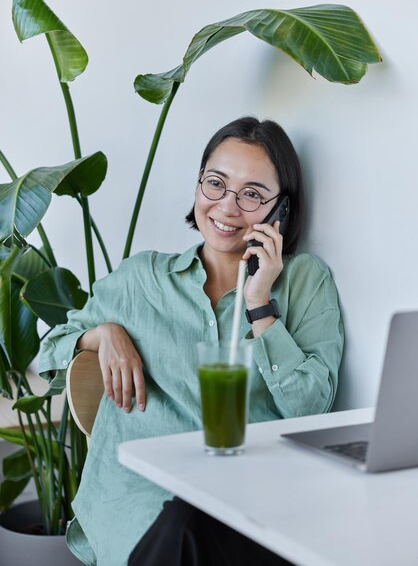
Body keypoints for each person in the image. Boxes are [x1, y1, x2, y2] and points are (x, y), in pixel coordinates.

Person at [38, 116, 344, 566]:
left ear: (281, 211)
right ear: (198, 186)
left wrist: (260, 305)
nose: (227, 207)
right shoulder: (141, 279)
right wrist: (101, 334)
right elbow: (51, 351)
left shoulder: (304, 282)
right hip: (142, 500)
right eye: (215, 184)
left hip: (251, 499)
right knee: (182, 525)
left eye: (253, 195)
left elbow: (311, 410)